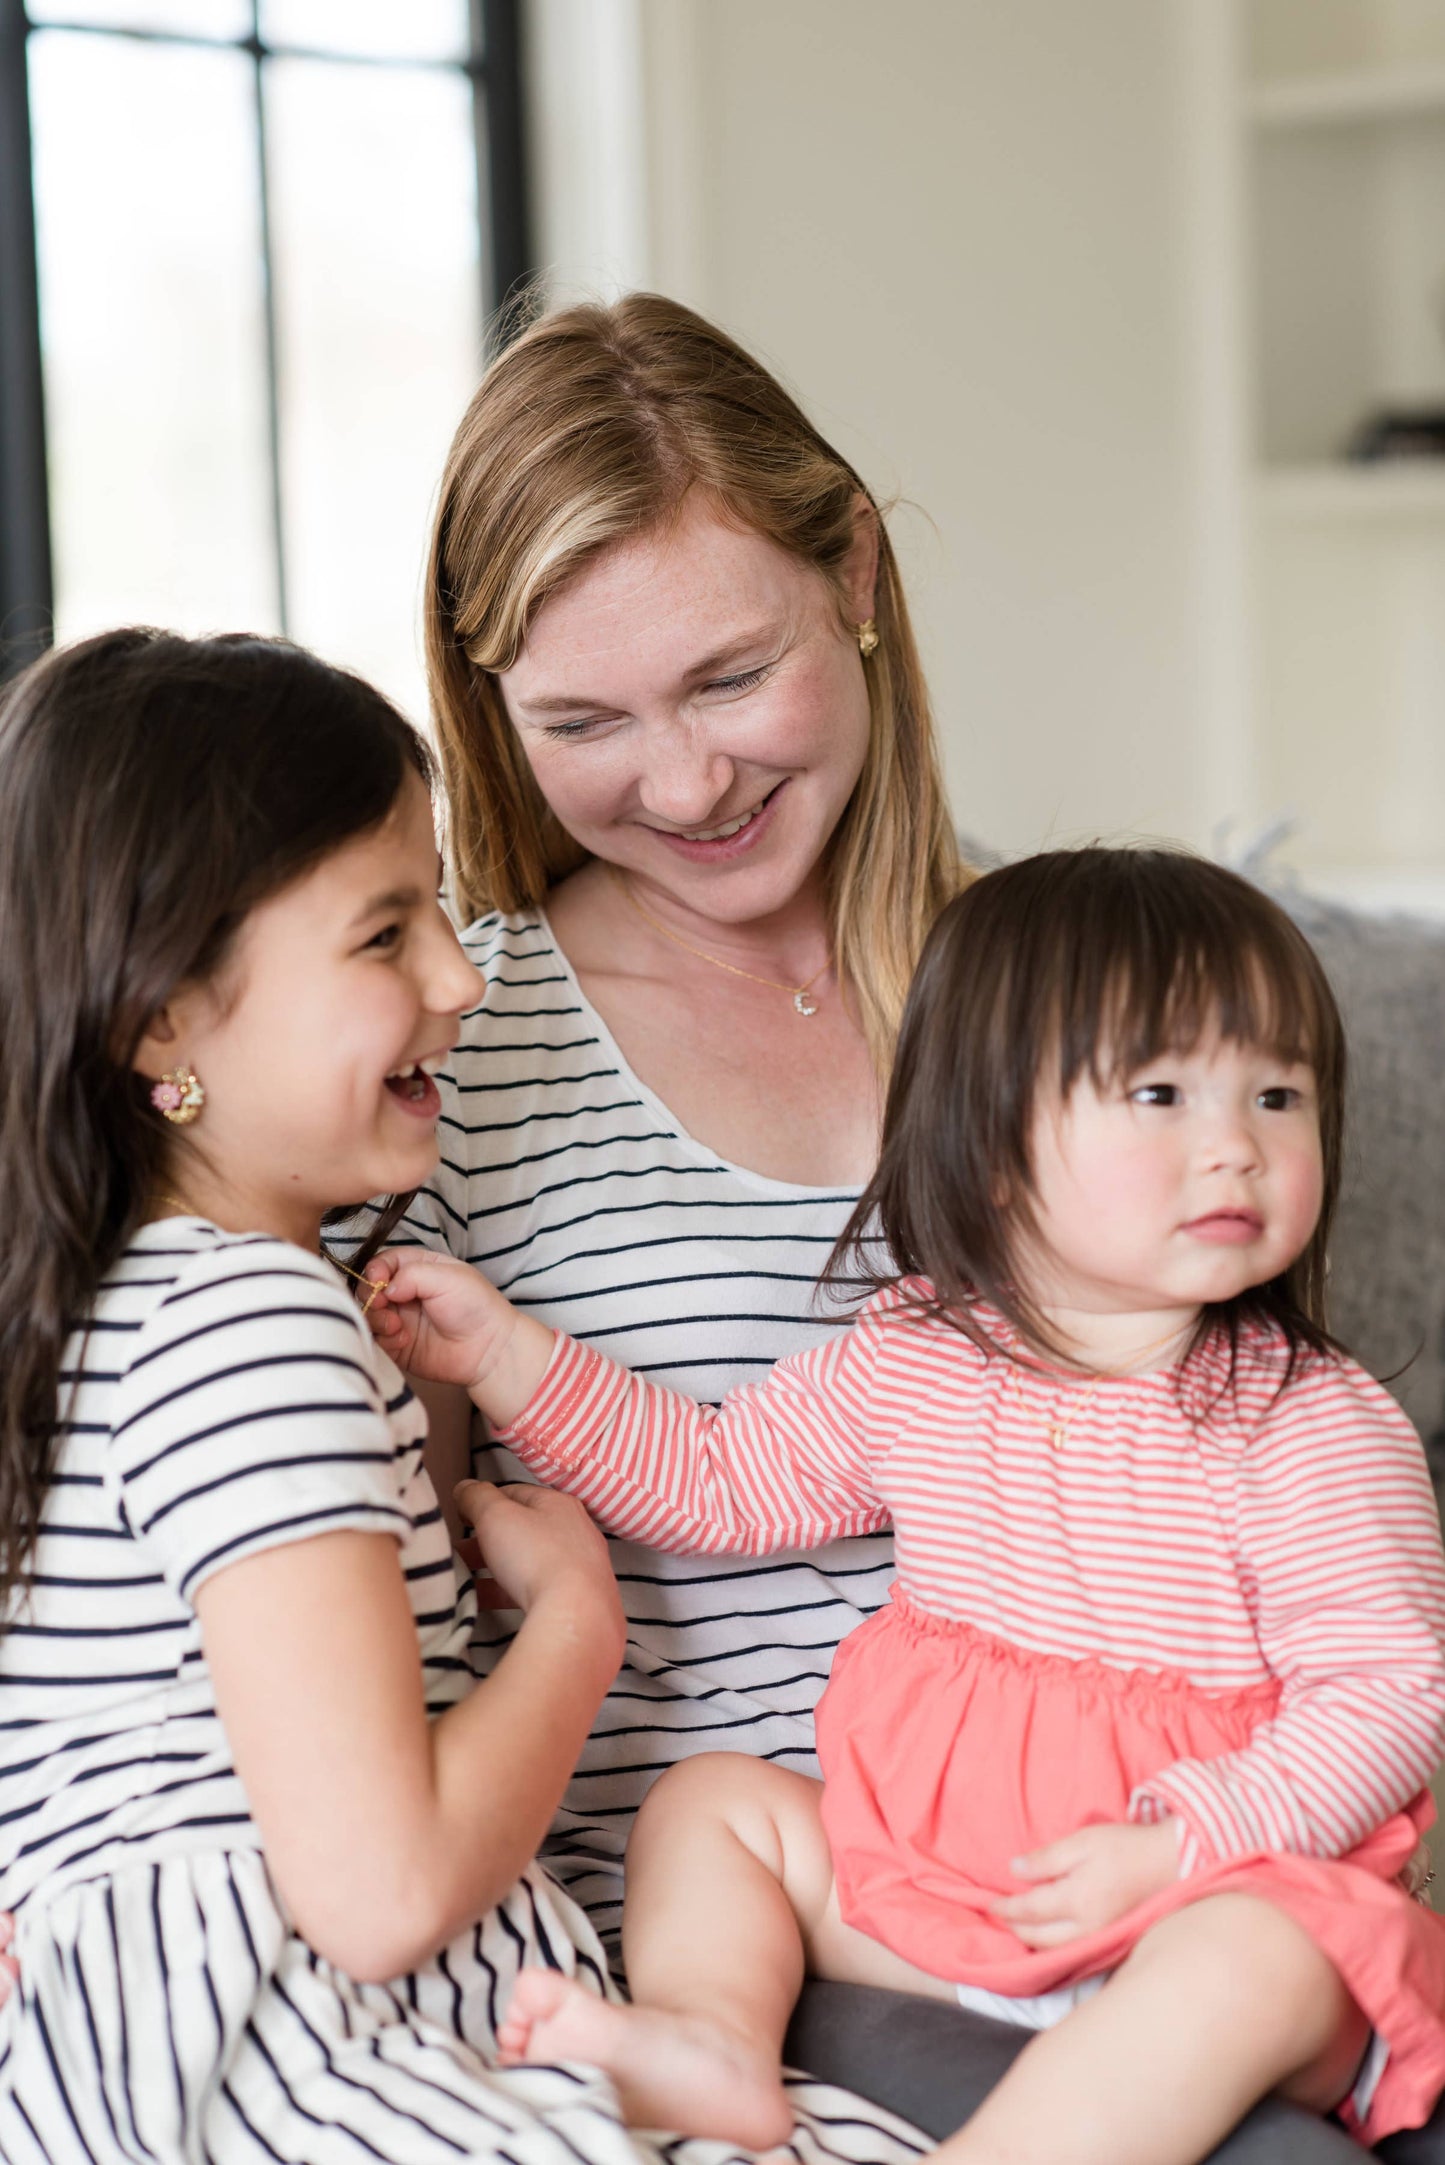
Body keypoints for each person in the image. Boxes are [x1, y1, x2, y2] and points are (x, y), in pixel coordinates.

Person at [363, 847, 1445, 2163]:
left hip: (1194, 1901)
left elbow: (1387, 1692)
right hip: (936, 1901)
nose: (1235, 1144)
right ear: (986, 1144)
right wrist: (507, 1359)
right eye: (1159, 1091)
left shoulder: (1306, 1419)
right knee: (711, 1806)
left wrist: (1186, 1843)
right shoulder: (913, 1356)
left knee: (1255, 1959)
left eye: (1276, 1092)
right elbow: (715, 1481)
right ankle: (708, 2037)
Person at [0, 627, 924, 2165]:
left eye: (438, 905)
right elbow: (380, 1891)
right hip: (305, 2056)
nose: (456, 976)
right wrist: (578, 1625)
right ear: (160, 1018)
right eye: (383, 936)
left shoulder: (100, 1314)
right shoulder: (249, 1319)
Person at [388, 290, 962, 1966]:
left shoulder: (1069, 994)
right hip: (696, 1949)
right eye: (582, 722)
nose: (687, 784)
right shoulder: (445, 1048)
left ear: (852, 574)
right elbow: (380, 1646)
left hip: (1095, 1879)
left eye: (728, 677)